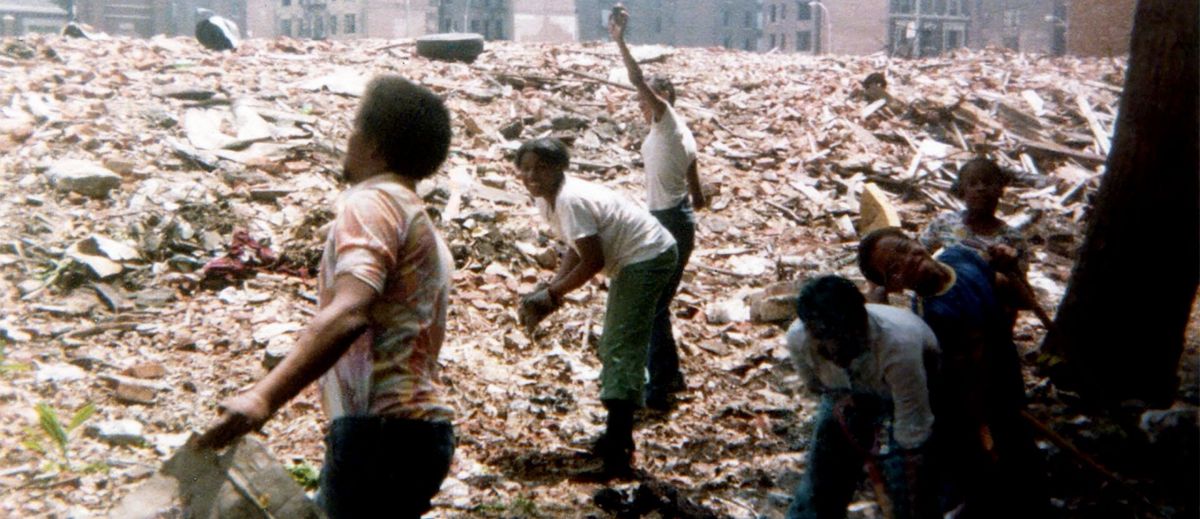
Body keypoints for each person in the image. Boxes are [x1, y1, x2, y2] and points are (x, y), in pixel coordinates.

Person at [197, 76, 456, 518]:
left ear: (374, 144)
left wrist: (262, 398)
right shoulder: (419, 219)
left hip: (381, 432)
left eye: (355, 126)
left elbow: (348, 312)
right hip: (413, 432)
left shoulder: (372, 204)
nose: (347, 138)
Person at [858, 228, 1050, 518]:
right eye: (893, 269)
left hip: (1006, 370)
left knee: (1022, 457)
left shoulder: (961, 257)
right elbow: (968, 379)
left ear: (916, 240)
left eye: (902, 247)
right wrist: (983, 428)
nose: (907, 261)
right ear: (895, 286)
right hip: (982, 395)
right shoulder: (932, 316)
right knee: (999, 464)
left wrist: (1010, 269)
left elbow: (1022, 299)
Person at [514, 137, 677, 478]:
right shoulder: (548, 201)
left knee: (621, 347)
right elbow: (577, 246)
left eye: (540, 168)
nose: (531, 176)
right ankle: (616, 438)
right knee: (615, 344)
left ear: (559, 167)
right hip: (637, 257)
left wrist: (553, 294)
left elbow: (593, 260)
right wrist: (552, 289)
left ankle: (618, 454)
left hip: (647, 256)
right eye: (525, 168)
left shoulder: (570, 199)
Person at [608, 5, 704, 411]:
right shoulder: (679, 132)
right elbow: (699, 193)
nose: (639, 101)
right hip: (676, 219)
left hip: (668, 223)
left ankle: (661, 385)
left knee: (651, 307)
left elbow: (635, 79)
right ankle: (671, 376)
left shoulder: (666, 120)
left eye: (646, 97)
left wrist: (620, 41)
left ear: (661, 99)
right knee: (658, 305)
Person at [785, 275, 940, 519]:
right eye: (823, 344)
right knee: (821, 478)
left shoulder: (899, 344)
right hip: (848, 392)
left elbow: (913, 432)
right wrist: (848, 410)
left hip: (917, 390)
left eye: (843, 342)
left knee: (906, 481)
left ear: (861, 324)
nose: (834, 352)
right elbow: (820, 389)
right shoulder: (798, 338)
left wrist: (909, 485)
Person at [918, 157, 1032, 322]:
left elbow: (1024, 299)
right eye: (972, 183)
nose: (981, 189)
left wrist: (1009, 267)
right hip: (948, 310)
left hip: (990, 320)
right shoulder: (945, 223)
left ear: (1001, 189)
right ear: (962, 191)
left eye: (988, 183)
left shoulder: (1012, 238)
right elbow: (918, 254)